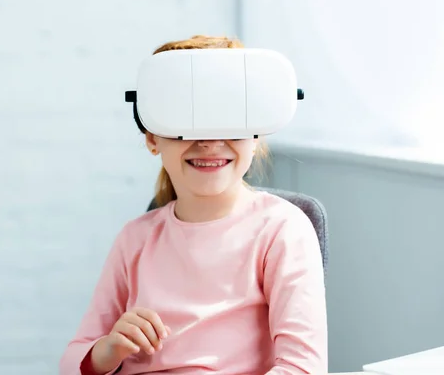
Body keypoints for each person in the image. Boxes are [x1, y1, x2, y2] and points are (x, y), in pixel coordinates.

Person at [59, 35, 328, 375]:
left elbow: (302, 368)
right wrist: (108, 349)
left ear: (256, 132)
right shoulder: (135, 239)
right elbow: (72, 363)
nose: (209, 142)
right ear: (152, 136)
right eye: (185, 123)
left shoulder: (282, 230)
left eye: (229, 119)